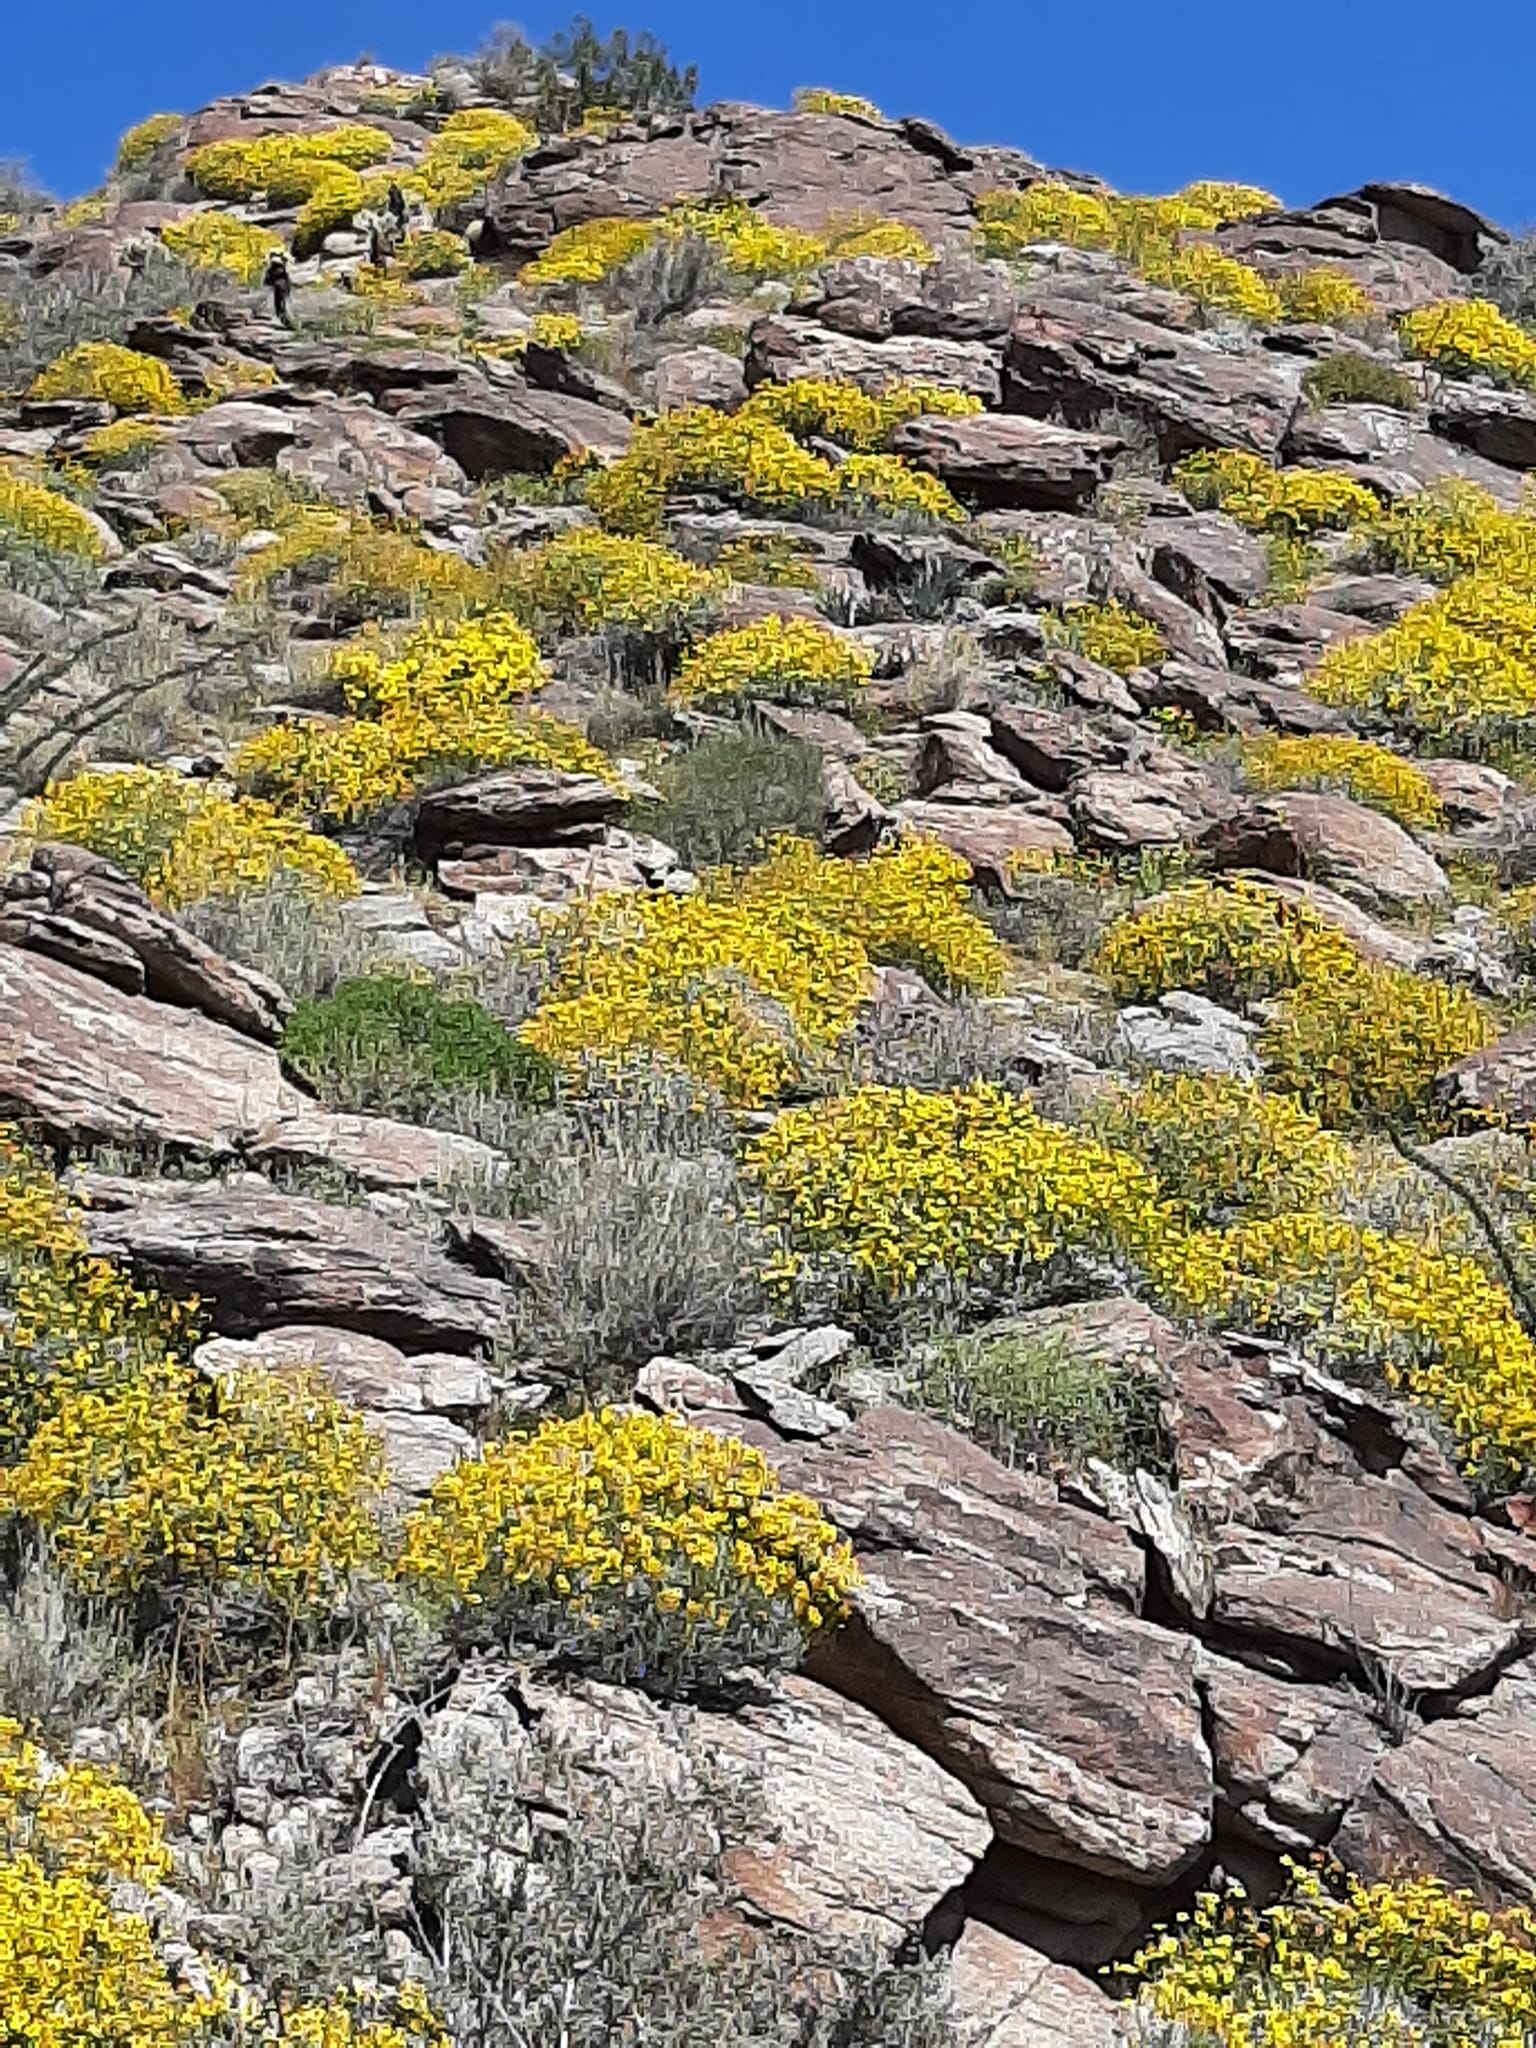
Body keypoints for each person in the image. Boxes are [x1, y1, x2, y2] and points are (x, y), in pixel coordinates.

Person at [262, 248, 294, 328]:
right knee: (284, 304)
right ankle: (287, 321)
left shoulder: (272, 269)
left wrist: (268, 283)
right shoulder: (283, 268)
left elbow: (267, 281)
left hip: (279, 288)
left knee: (280, 306)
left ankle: (286, 322)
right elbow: (288, 278)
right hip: (284, 287)